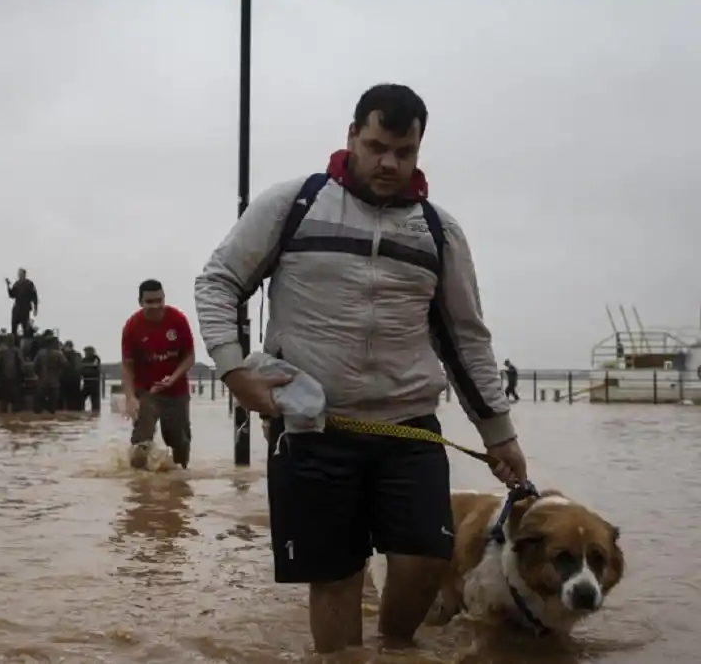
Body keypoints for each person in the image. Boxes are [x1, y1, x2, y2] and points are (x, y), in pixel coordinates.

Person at [193, 83, 528, 655]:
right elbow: (219, 281)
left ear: (419, 151)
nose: (389, 163)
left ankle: (395, 647)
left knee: (426, 557)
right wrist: (232, 370)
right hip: (313, 430)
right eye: (376, 146)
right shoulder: (293, 204)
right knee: (336, 576)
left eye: (404, 152)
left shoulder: (439, 232)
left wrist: (500, 436)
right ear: (351, 136)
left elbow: (467, 340)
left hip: (409, 427)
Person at [121, 279, 195, 470]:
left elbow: (190, 357)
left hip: (176, 390)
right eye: (149, 302)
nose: (155, 306)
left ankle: (178, 483)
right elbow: (127, 366)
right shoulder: (132, 326)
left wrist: (173, 378)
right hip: (147, 390)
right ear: (140, 302)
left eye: (159, 300)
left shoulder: (177, 319)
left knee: (179, 441)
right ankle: (138, 485)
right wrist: (129, 397)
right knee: (141, 442)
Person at [32, 340, 67, 413]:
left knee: (38, 409)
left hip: (42, 383)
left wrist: (39, 374)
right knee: (52, 408)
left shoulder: (40, 353)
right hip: (54, 383)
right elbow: (65, 365)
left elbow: (34, 367)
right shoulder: (59, 354)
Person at [6, 268, 38, 339]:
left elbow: (34, 296)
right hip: (17, 308)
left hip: (25, 309)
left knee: (25, 328)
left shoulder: (29, 284)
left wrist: (35, 309)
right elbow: (12, 295)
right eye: (18, 273)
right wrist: (8, 286)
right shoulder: (17, 284)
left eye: (20, 273)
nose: (19, 275)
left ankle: (25, 342)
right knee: (14, 327)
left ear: (24, 274)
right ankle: (13, 341)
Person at [59, 340, 83, 410]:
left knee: (64, 401)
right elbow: (79, 368)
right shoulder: (77, 355)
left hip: (64, 380)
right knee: (74, 401)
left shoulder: (61, 355)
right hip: (74, 380)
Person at [80, 345, 102, 413]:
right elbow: (81, 368)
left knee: (95, 402)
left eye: (86, 352)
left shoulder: (96, 358)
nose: (85, 353)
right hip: (86, 382)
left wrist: (85, 367)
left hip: (94, 382)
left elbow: (94, 365)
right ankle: (81, 412)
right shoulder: (84, 360)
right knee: (81, 398)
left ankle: (95, 414)